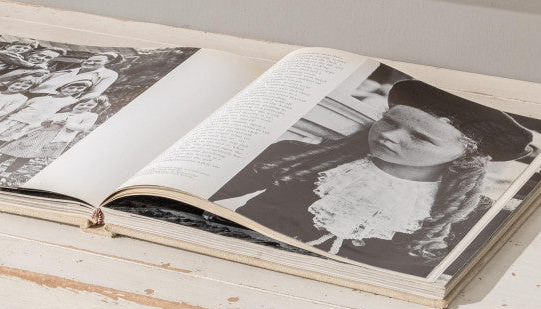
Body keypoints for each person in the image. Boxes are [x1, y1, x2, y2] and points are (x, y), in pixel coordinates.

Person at [211, 79, 534, 275]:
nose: (389, 137)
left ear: (466, 156)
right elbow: (199, 193)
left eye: (421, 138)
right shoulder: (294, 157)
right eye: (389, 121)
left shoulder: (470, 218)